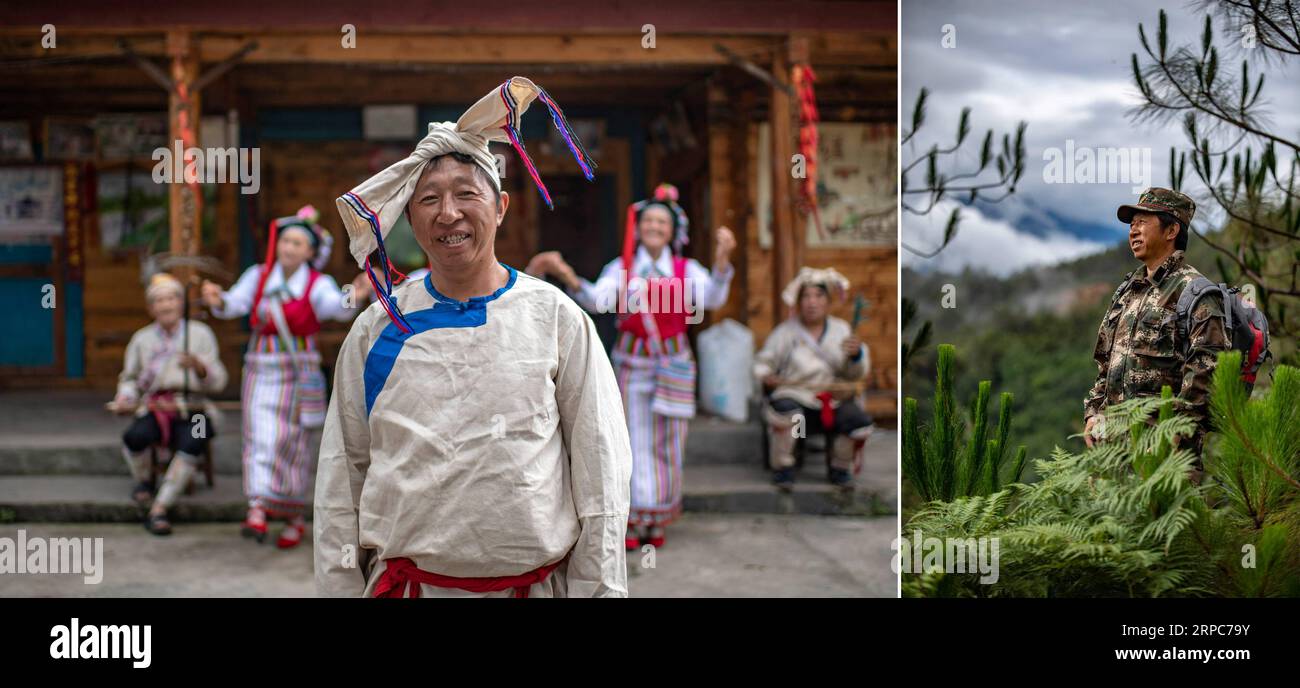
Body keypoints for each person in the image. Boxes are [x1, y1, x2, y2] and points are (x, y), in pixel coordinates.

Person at [316, 76, 632, 598]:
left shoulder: (554, 317)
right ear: (409, 218)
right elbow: (340, 474)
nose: (449, 214)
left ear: (501, 206)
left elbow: (600, 466)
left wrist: (599, 590)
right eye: (428, 200)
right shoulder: (377, 328)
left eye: (467, 194)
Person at [526, 182, 736, 550]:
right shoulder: (621, 268)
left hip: (672, 364)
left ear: (673, 231)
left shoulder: (687, 270)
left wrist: (721, 260)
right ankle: (633, 519)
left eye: (662, 223)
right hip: (632, 363)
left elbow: (714, 297)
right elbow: (597, 300)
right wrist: (565, 273)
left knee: (668, 441)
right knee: (629, 439)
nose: (654, 227)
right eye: (648, 221)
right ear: (638, 228)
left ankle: (657, 520)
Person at [200, 205, 369, 549]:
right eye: (286, 241)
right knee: (260, 435)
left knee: (294, 442)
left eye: (298, 243)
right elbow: (233, 304)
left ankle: (292, 515)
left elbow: (336, 307)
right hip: (262, 365)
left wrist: (357, 293)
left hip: (300, 369)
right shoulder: (257, 276)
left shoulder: (316, 283)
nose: (290, 248)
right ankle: (258, 507)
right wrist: (217, 299)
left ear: (310, 251)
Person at [1083, 188, 1230, 480]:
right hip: (1113, 458)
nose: (1133, 231)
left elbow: (1204, 379)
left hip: (1165, 463)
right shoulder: (1128, 291)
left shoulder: (1196, 293)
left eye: (1142, 222)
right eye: (1131, 224)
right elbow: (1106, 363)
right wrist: (1093, 412)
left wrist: (1169, 441)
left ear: (1172, 229)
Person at [109, 273, 228, 535]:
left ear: (181, 303)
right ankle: (144, 482)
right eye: (159, 301)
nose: (165, 305)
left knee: (193, 440)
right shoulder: (142, 339)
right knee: (134, 436)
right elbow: (130, 379)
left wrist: (199, 367)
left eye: (171, 299)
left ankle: (160, 507)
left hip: (193, 408)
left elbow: (218, 381)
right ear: (151, 308)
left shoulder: (200, 334)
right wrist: (125, 398)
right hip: (156, 407)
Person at [753, 267, 872, 488]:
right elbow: (763, 362)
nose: (812, 302)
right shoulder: (785, 332)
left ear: (828, 301)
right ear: (799, 302)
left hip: (830, 398)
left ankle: (840, 468)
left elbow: (854, 374)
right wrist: (767, 376)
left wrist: (856, 356)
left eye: (818, 296)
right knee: (787, 410)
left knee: (857, 420)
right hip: (796, 395)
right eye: (806, 296)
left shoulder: (841, 330)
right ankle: (784, 466)